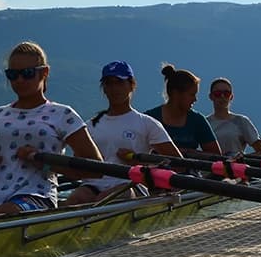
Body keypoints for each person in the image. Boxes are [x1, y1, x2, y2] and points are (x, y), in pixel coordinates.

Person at [0, 41, 103, 218]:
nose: (19, 80)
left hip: (37, 194)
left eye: (27, 73)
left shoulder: (62, 114)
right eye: (12, 74)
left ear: (45, 72)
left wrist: (47, 163)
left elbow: (95, 168)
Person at [65, 61, 181, 206]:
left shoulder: (147, 123)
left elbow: (177, 162)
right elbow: (78, 164)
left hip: (131, 184)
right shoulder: (89, 126)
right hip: (93, 185)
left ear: (131, 85)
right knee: (73, 200)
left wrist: (138, 163)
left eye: (119, 82)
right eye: (109, 83)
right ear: (104, 88)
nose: (114, 88)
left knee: (105, 199)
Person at [143, 64, 221, 155]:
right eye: (192, 94)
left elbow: (216, 156)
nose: (195, 99)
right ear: (176, 93)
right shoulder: (149, 118)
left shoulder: (198, 120)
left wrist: (189, 153)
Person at [205, 77, 261, 157]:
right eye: (218, 94)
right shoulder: (204, 123)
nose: (222, 96)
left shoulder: (241, 121)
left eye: (226, 93)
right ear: (211, 96)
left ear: (231, 97)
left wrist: (241, 158)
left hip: (235, 168)